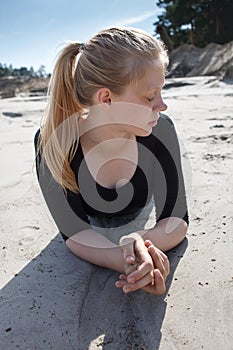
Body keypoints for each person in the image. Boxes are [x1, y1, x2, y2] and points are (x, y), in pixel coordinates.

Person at [34, 27, 189, 295]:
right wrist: (125, 261)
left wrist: (138, 243)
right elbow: (74, 231)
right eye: (150, 97)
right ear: (106, 98)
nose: (162, 105)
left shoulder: (160, 130)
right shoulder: (55, 141)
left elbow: (176, 219)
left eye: (161, 93)